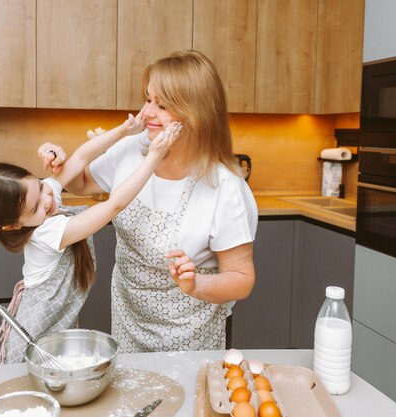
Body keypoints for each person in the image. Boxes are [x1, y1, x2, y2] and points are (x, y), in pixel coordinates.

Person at [43, 50, 258, 353]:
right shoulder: (134, 149)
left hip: (190, 332)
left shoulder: (223, 187)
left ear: (198, 112)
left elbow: (241, 278)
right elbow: (82, 182)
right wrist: (63, 165)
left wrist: (196, 284)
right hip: (128, 319)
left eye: (163, 105)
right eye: (148, 100)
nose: (148, 113)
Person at [0, 114, 181, 363]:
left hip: (57, 332)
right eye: (36, 207)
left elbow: (80, 157)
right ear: (14, 225)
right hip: (35, 339)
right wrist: (153, 157)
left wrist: (123, 130)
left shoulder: (42, 199)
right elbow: (114, 206)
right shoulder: (46, 232)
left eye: (40, 186)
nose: (48, 200)